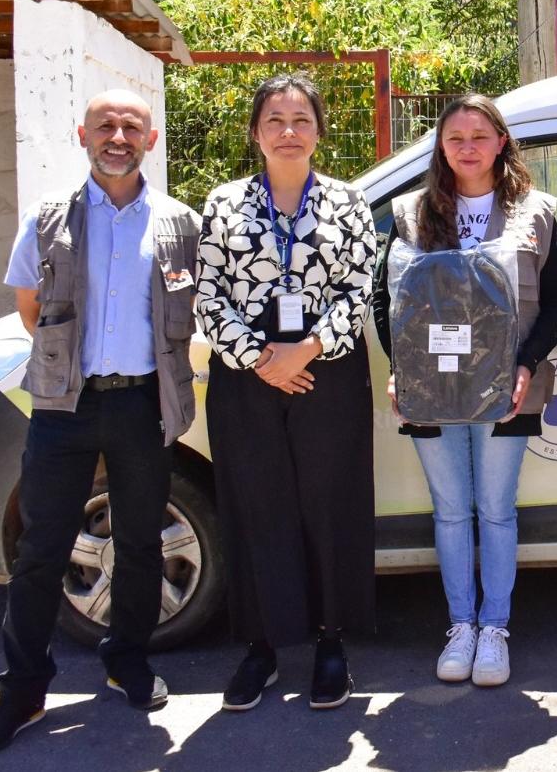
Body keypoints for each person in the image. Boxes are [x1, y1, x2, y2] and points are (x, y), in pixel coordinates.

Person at [0, 90, 200, 754]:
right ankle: (23, 690)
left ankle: (127, 657)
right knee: (40, 551)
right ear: (84, 135)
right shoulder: (46, 221)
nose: (118, 136)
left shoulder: (180, 223)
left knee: (140, 542)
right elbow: (32, 309)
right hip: (65, 407)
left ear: (151, 140)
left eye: (131, 126)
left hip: (144, 403)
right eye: (106, 126)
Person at [371, 95, 557, 688]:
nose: (466, 146)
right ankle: (460, 625)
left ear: (501, 142)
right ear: (440, 145)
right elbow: (387, 301)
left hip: (505, 389)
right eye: (454, 136)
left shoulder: (535, 211)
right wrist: (403, 367)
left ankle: (495, 629)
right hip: (430, 390)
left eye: (479, 135)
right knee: (453, 511)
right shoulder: (410, 212)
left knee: (496, 509)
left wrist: (526, 366)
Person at [196, 73, 377, 712]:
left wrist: (306, 349)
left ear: (319, 133)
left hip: (326, 372)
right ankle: (262, 647)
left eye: (302, 120)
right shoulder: (222, 205)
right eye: (275, 120)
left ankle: (331, 642)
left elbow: (360, 290)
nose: (289, 132)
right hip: (246, 380)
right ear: (256, 133)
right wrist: (259, 359)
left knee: (328, 505)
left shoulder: (349, 204)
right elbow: (208, 293)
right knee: (255, 507)